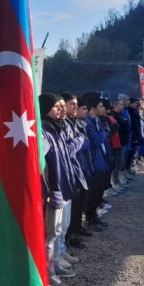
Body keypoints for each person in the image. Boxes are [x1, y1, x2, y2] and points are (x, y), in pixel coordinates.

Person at [40, 93, 78, 286]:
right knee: (49, 235)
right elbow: (41, 161)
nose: (62, 110)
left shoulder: (56, 128)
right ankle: (48, 274)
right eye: (56, 106)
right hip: (52, 190)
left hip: (61, 187)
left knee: (56, 231)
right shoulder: (44, 131)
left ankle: (54, 264)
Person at [61, 92, 92, 248]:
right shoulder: (63, 124)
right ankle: (65, 241)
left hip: (77, 168)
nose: (76, 107)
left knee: (76, 206)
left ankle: (72, 233)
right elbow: (70, 149)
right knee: (64, 214)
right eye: (72, 104)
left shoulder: (70, 122)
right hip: (68, 171)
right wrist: (80, 139)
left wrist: (79, 139)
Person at [83, 98, 110, 230]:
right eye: (100, 106)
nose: (103, 109)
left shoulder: (96, 121)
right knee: (92, 192)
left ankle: (93, 216)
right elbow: (97, 140)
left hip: (99, 160)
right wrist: (104, 132)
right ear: (93, 109)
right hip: (94, 162)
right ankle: (89, 219)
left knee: (97, 191)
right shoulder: (88, 123)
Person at [111, 99, 132, 187]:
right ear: (115, 106)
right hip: (118, 142)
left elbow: (126, 127)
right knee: (116, 164)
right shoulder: (114, 116)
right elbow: (119, 128)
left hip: (123, 141)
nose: (123, 106)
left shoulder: (120, 116)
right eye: (120, 104)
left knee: (121, 162)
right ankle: (115, 181)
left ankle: (119, 178)